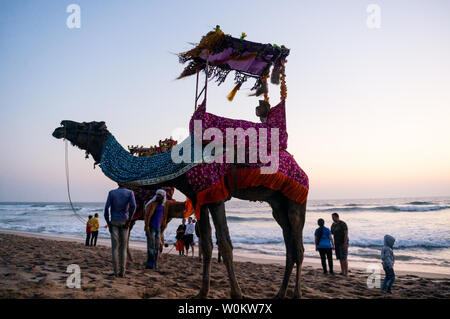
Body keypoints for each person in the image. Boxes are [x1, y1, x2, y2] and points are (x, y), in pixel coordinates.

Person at [104, 183, 136, 277]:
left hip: (114, 220)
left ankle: (115, 272)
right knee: (123, 248)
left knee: (115, 247)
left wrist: (108, 221)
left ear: (118, 183)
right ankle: (122, 272)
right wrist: (129, 220)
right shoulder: (130, 192)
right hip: (125, 221)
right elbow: (133, 206)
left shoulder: (112, 193)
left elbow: (106, 208)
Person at [144, 189, 166, 269]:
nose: (158, 196)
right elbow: (147, 216)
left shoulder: (163, 206)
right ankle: (149, 264)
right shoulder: (152, 204)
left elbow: (163, 218)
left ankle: (155, 264)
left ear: (163, 196)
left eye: (160, 195)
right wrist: (146, 227)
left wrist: (163, 228)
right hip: (151, 227)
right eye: (157, 195)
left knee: (157, 246)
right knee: (150, 246)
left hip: (158, 228)